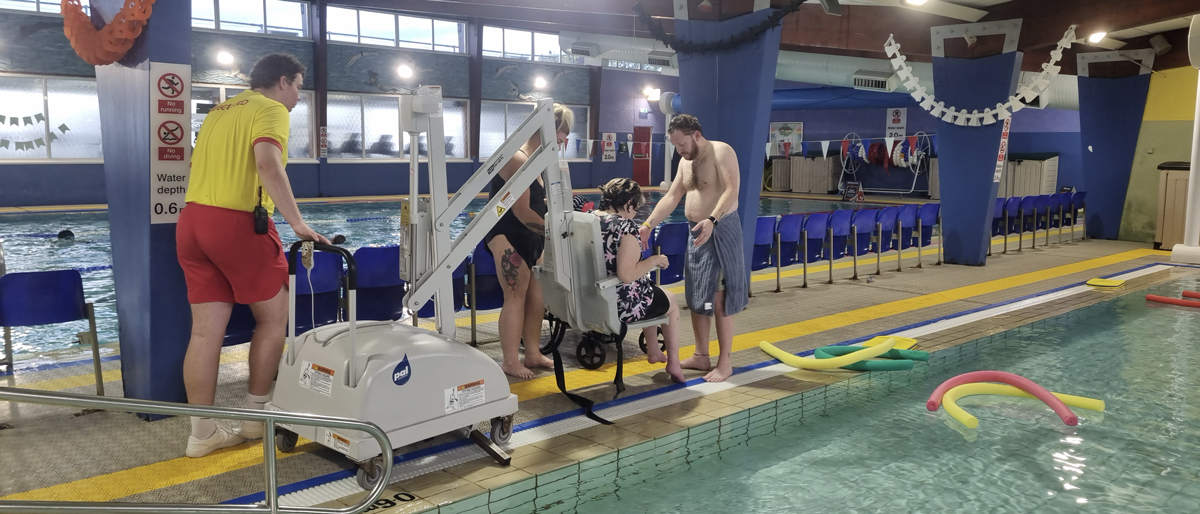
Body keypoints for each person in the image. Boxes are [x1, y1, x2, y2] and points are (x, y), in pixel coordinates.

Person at [177, 53, 328, 458]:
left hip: (192, 222)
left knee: (205, 333)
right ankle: (254, 418)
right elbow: (267, 163)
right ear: (283, 81)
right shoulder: (272, 109)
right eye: (298, 86)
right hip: (238, 224)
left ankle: (202, 434)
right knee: (274, 318)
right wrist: (298, 224)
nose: (298, 96)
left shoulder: (218, 111)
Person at [639, 114, 748, 382]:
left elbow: (732, 190)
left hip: (720, 230)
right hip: (696, 232)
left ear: (696, 135)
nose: (680, 150)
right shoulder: (685, 161)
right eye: (676, 146)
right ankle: (701, 356)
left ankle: (725, 362)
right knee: (698, 295)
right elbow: (672, 196)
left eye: (682, 144)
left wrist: (712, 219)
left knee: (720, 296)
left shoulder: (721, 152)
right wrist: (648, 225)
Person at [484, 103, 574, 379]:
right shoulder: (518, 159)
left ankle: (532, 352)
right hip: (506, 233)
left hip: (532, 235)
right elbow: (521, 211)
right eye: (560, 138)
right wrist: (557, 234)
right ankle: (510, 361)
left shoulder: (538, 159)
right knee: (515, 296)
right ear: (547, 130)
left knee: (537, 296)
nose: (562, 144)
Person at [593, 178, 684, 383]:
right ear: (628, 204)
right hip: (618, 304)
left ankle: (654, 351)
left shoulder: (588, 220)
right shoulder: (625, 228)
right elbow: (627, 275)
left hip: (590, 298)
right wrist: (654, 260)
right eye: (636, 207)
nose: (635, 213)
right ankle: (674, 362)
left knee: (648, 290)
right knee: (670, 302)